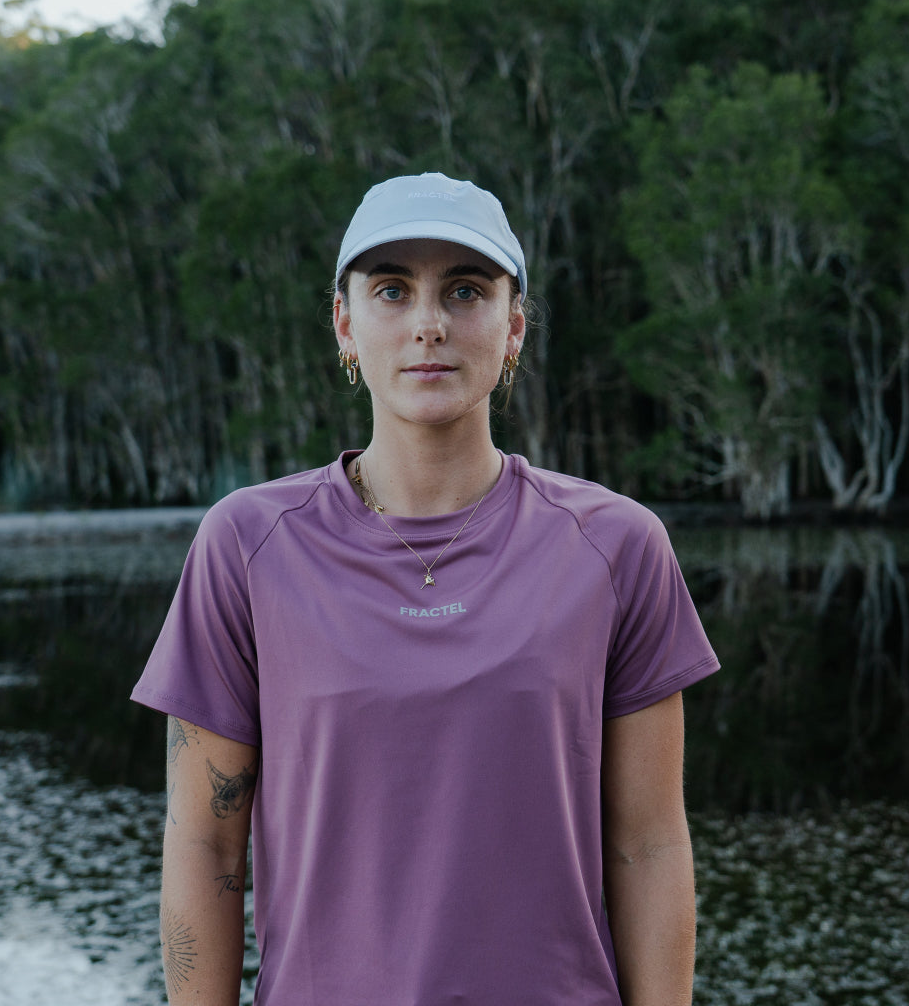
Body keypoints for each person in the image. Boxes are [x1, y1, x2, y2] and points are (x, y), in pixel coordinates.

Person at [131, 172, 719, 1006]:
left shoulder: (616, 546)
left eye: (466, 291)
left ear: (514, 326)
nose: (429, 324)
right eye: (393, 290)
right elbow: (205, 846)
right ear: (345, 321)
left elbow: (649, 845)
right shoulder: (247, 546)